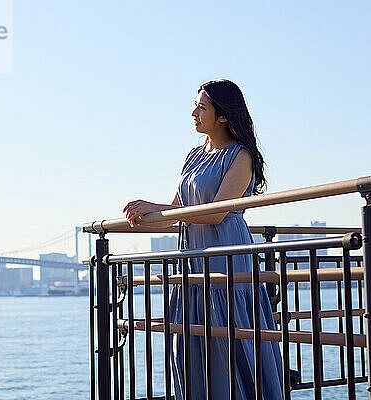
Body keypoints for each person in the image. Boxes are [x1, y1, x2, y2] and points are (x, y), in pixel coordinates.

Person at [123, 79, 282, 400]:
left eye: (202, 107)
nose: (194, 113)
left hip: (227, 258)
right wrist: (142, 216)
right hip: (192, 261)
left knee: (231, 339)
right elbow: (178, 210)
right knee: (192, 342)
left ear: (223, 116)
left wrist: (157, 209)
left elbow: (215, 213)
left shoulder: (240, 156)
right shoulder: (193, 154)